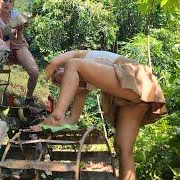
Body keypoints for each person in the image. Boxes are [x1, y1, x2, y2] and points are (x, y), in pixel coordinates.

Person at [33, 50, 167, 180]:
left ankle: (56, 115)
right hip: (132, 96)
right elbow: (72, 119)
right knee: (122, 148)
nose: (58, 83)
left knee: (73, 64)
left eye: (57, 79)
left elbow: (53, 62)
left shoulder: (77, 56)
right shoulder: (85, 86)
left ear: (61, 68)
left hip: (133, 76)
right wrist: (44, 127)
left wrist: (41, 81)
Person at [0, 0, 39, 105]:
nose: (7, 4)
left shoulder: (16, 15)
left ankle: (29, 98)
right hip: (0, 47)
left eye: (10, 1)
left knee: (35, 72)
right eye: (5, 0)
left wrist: (20, 30)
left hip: (17, 43)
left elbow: (19, 38)